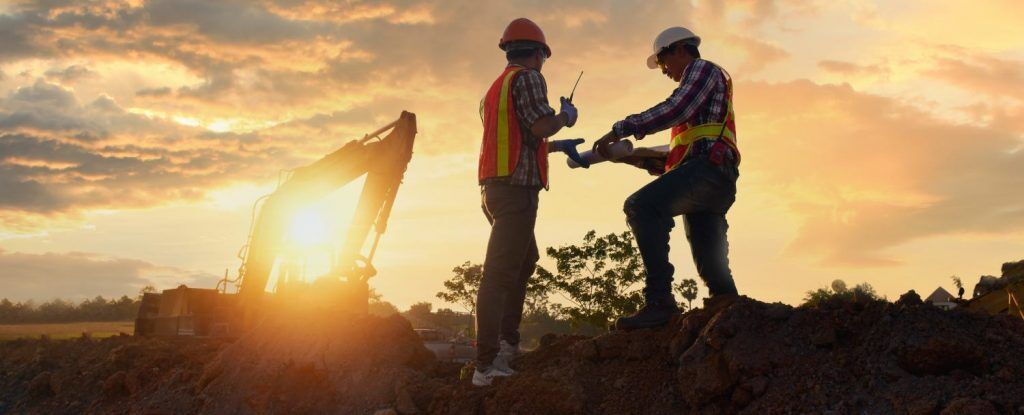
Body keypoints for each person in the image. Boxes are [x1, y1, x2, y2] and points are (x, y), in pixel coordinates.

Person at [593, 26, 741, 330]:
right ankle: (734, 318)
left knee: (642, 206)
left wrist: (621, 129)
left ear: (681, 50)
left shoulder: (701, 69)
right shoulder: (696, 118)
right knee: (711, 263)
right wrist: (629, 156)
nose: (664, 71)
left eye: (663, 62)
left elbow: (676, 108)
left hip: (709, 172)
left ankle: (660, 301)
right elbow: (673, 163)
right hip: (711, 177)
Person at [474, 17, 588, 386]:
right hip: (517, 191)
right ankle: (487, 365)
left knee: (524, 261)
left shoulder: (496, 89)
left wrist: (555, 145)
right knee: (500, 274)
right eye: (543, 57)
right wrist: (564, 118)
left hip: (494, 190)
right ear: (538, 54)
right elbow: (540, 126)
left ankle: (506, 345)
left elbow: (520, 138)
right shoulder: (529, 78)